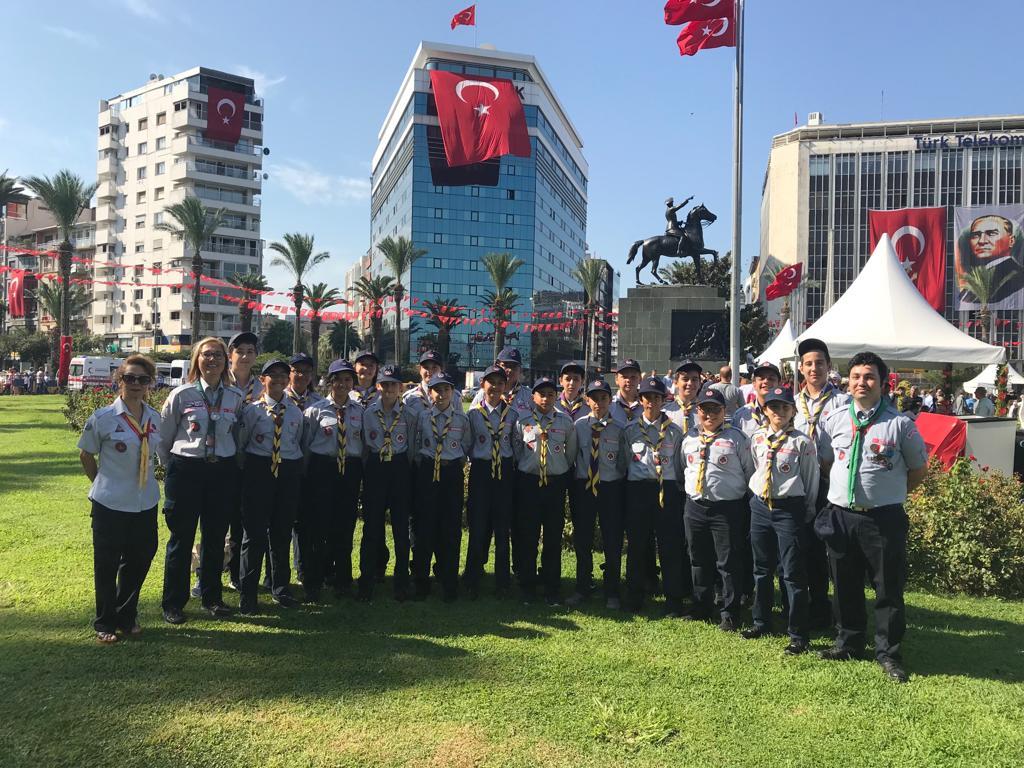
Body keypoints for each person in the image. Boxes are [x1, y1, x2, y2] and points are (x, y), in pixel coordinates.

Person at [817, 351, 928, 684]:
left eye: (869, 377)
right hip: (840, 515)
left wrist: (886, 495)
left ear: (882, 382)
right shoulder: (833, 418)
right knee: (845, 583)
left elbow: (918, 470)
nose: (861, 382)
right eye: (855, 376)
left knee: (887, 589)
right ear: (847, 381)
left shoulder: (900, 425)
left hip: (882, 520)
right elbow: (827, 461)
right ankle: (849, 642)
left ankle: (888, 654)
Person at [157, 337, 245, 624]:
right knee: (181, 538)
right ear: (197, 359)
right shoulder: (181, 395)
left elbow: (236, 437)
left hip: (221, 471)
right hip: (186, 470)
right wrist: (174, 467)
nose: (213, 360)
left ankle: (212, 598)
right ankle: (173, 603)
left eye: (218, 355)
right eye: (207, 354)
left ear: (225, 360)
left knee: (215, 537)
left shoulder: (235, 397)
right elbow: (164, 437)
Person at [78, 355, 161, 644]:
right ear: (119, 381)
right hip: (110, 504)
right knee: (107, 563)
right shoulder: (102, 418)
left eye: (142, 379)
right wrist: (102, 482)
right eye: (129, 378)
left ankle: (126, 615)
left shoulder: (155, 418)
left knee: (141, 558)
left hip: (145, 501)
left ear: (150, 383)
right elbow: (86, 454)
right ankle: (105, 621)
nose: (136, 384)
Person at [743, 387, 819, 655]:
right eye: (773, 407)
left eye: (785, 408)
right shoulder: (758, 438)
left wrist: (806, 510)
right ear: (765, 410)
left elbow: (811, 480)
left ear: (793, 412)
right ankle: (761, 621)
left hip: (789, 509)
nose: (779, 412)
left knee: (792, 572)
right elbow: (756, 467)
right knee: (761, 568)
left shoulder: (802, 443)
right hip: (761, 505)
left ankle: (798, 633)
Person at [680, 388, 754, 631]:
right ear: (697, 411)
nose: (710, 414)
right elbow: (684, 469)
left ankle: (730, 612)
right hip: (696, 506)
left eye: (715, 409)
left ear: (725, 411)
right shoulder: (689, 438)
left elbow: (749, 472)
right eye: (705, 409)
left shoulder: (737, 439)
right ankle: (701, 606)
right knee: (698, 559)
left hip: (727, 508)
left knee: (728, 561)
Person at [236, 359, 307, 614]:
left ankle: (280, 587)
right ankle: (248, 593)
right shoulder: (252, 411)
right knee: (253, 535)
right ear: (262, 379)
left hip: (288, 471)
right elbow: (242, 445)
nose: (278, 379)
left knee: (281, 532)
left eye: (282, 375)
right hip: (258, 470)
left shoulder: (297, 412)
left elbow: (299, 442)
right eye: (271, 375)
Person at [793, 338, 850, 628]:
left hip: (830, 484)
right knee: (803, 548)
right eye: (809, 364)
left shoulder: (844, 402)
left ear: (829, 366)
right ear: (800, 369)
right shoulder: (791, 404)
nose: (814, 368)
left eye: (819, 363)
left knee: (832, 550)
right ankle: (806, 605)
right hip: (799, 486)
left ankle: (833, 607)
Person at [622, 376, 687, 616]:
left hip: (667, 489)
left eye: (657, 398)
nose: (652, 402)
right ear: (640, 400)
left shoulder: (674, 431)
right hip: (638, 489)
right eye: (648, 398)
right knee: (637, 544)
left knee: (669, 546)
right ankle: (634, 596)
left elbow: (680, 466)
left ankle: (673, 600)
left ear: (663, 401)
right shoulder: (630, 430)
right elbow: (623, 462)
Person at [302, 359, 364, 602]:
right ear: (330, 382)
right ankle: (313, 581)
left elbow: (364, 447)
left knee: (344, 527)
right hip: (322, 470)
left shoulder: (360, 411)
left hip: (349, 470)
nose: (342, 383)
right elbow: (306, 446)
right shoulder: (315, 411)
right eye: (337, 378)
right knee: (317, 528)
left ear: (353, 383)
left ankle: (342, 580)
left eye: (347, 379)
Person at [512, 377, 578, 605]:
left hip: (555, 484)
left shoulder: (565, 422)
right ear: (533, 397)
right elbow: (517, 450)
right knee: (528, 536)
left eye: (551, 394)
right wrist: (530, 469)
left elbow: (570, 454)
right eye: (541, 394)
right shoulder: (523, 421)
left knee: (552, 537)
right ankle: (528, 587)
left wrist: (557, 470)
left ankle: (552, 588)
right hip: (529, 483)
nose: (546, 398)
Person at [411, 373, 472, 601]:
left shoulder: (461, 419)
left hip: (451, 474)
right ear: (430, 392)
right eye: (437, 389)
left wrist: (451, 462)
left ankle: (448, 582)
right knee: (425, 526)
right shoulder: (423, 417)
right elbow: (417, 445)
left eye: (446, 389)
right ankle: (421, 581)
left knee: (451, 528)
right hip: (427, 472)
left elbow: (466, 446)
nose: (441, 394)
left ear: (453, 393)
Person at [569, 378, 627, 608]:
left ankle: (612, 590)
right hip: (584, 487)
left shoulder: (620, 428)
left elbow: (623, 462)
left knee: (612, 540)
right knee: (582, 539)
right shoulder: (579, 426)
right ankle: (583, 586)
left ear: (610, 400)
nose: (598, 403)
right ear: (587, 400)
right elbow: (572, 456)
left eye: (603, 398)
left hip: (610, 488)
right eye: (594, 398)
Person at [360, 364, 414, 601]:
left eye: (393, 384)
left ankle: (401, 581)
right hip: (376, 468)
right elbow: (363, 446)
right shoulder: (368, 413)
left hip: (400, 469)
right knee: (372, 527)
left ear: (400, 388)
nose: (389, 388)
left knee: (401, 528)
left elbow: (411, 447)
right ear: (378, 386)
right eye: (385, 384)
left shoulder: (409, 415)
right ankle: (367, 579)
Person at [464, 365, 519, 598]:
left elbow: (516, 447)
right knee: (478, 526)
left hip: (505, 472)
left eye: (499, 383)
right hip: (481, 471)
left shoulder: (513, 415)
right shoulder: (473, 414)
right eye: (490, 382)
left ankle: (503, 582)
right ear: (482, 385)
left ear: (505, 386)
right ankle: (472, 579)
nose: (495, 387)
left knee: (502, 527)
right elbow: (467, 445)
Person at [958, 214, 1023, 307]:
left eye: (991, 233)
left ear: (1011, 241)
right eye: (976, 235)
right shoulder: (975, 277)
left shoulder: (1016, 275)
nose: (982, 241)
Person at [471, 347, 533, 415]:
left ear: (520, 369)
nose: (509, 370)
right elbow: (471, 416)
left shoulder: (529, 396)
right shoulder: (484, 393)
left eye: (513, 366)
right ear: (497, 366)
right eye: (505, 365)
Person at [732, 363, 782, 437]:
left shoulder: (787, 413)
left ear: (779, 384)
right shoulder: (741, 415)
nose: (766, 381)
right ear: (754, 384)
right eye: (761, 378)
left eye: (771, 379)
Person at [663, 359, 702, 434]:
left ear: (700, 383)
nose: (690, 383)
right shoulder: (665, 412)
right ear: (676, 382)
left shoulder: (707, 414)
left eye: (694, 379)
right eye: (685, 379)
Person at [403, 350, 444, 419]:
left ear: (442, 369)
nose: (430, 371)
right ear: (420, 369)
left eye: (434, 367)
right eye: (426, 367)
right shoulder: (409, 397)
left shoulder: (454, 397)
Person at [609, 358, 643, 426]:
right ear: (616, 379)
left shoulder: (646, 405)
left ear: (640, 378)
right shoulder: (609, 405)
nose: (628, 380)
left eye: (633, 377)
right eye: (624, 377)